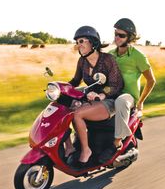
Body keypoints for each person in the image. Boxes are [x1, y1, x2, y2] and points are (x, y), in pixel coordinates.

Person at [66, 26, 124, 167]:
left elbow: (117, 84)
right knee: (64, 107)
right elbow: (75, 81)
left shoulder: (107, 59)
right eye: (77, 42)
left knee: (78, 114)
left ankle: (86, 151)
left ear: (93, 42)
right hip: (91, 98)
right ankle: (70, 146)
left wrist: (101, 95)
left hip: (109, 100)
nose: (78, 45)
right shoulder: (82, 61)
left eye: (81, 41)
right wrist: (60, 87)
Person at [108, 18, 156, 150]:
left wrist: (140, 101)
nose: (117, 37)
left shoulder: (138, 56)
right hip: (110, 93)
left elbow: (151, 80)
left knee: (121, 102)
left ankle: (117, 143)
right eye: (116, 34)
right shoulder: (110, 54)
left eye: (121, 35)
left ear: (130, 38)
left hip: (128, 97)